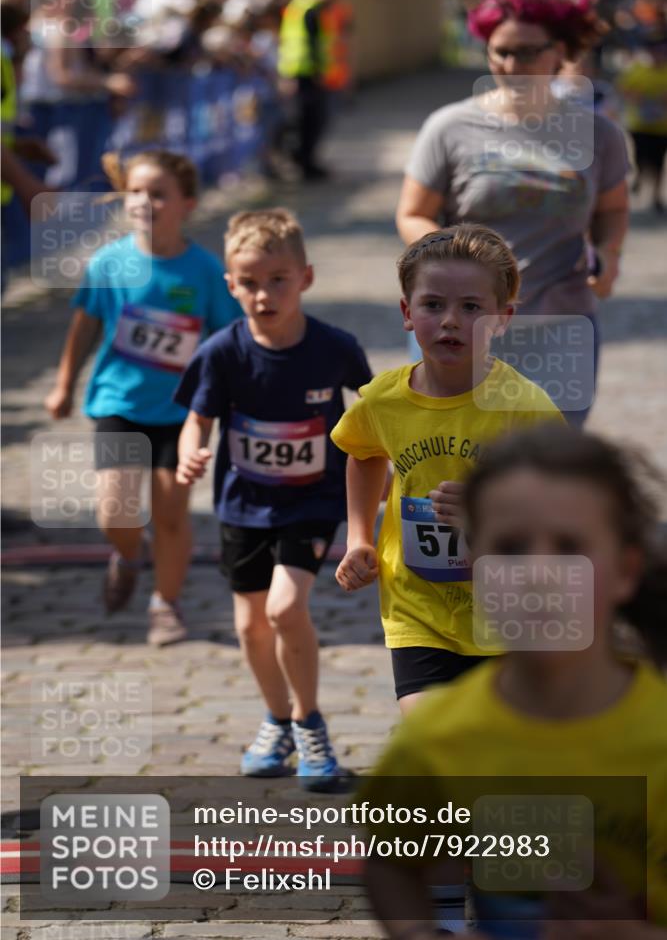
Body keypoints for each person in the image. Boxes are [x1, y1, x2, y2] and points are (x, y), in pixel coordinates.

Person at [361, 425, 667, 940]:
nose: (537, 571)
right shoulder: (438, 735)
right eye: (509, 547)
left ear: (625, 570)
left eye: (569, 544)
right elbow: (390, 862)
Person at [174, 208, 372, 788]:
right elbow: (198, 418)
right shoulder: (221, 351)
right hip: (243, 505)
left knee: (285, 609)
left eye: (277, 280)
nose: (264, 294)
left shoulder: (335, 348)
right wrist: (191, 450)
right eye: (250, 283)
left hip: (311, 502)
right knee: (251, 627)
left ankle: (311, 724)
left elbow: (377, 405)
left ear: (305, 278)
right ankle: (277, 719)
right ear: (231, 286)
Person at [331, 225, 564, 713]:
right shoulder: (383, 400)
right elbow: (362, 453)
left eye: (472, 307)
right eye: (433, 305)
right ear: (406, 313)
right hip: (417, 606)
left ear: (503, 318)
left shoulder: (525, 407)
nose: (451, 321)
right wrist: (359, 537)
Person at [396, 0, 630, 426]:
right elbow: (412, 212)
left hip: (560, 327)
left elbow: (613, 209)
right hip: (460, 326)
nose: (510, 66)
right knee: (448, 461)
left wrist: (610, 255)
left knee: (549, 467)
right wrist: (451, 263)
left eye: (526, 52)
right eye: (498, 51)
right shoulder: (449, 127)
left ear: (559, 50)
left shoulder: (600, 135)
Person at [45, 149, 241, 645]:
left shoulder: (203, 270)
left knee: (172, 512)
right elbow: (85, 322)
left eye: (158, 194)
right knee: (117, 512)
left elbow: (227, 338)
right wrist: (64, 383)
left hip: (182, 412)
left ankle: (165, 606)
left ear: (187, 204)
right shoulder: (109, 262)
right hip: (119, 404)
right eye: (135, 192)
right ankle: (129, 556)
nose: (144, 202)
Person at [277, 0, 335, 180]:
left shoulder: (297, 6)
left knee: (304, 120)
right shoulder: (310, 7)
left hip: (297, 71)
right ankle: (305, 163)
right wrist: (320, 70)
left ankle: (303, 161)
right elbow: (313, 43)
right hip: (307, 73)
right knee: (310, 121)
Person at [616, 33, 667, 214]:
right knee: (641, 159)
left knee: (659, 163)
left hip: (662, 127)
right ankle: (639, 176)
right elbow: (623, 89)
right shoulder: (637, 69)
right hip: (639, 125)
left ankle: (656, 197)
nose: (659, 54)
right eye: (656, 51)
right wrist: (635, 96)